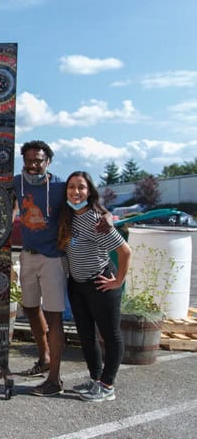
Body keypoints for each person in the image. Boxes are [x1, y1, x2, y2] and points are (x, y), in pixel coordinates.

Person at [58, 171, 131, 402]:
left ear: (89, 192)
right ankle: (95, 379)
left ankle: (107, 385)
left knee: (110, 335)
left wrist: (118, 281)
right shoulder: (67, 216)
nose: (76, 192)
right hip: (77, 285)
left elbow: (125, 251)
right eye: (71, 187)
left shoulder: (95, 219)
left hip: (100, 283)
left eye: (81, 187)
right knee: (86, 335)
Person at [12, 140, 67, 396]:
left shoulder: (60, 186)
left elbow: (84, 208)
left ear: (48, 162)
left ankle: (54, 379)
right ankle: (44, 357)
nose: (33, 165)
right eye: (29, 160)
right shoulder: (17, 183)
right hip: (28, 255)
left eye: (39, 161)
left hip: (53, 258)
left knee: (54, 315)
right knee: (31, 309)